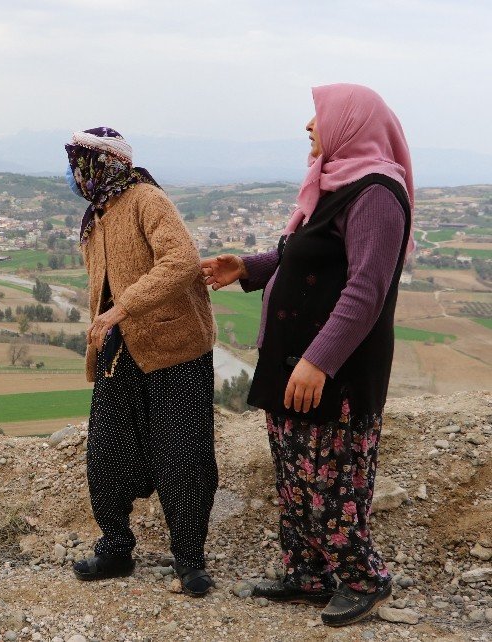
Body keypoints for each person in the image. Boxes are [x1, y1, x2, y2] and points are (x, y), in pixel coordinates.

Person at [201, 84, 413, 627]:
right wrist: (248, 267)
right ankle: (308, 574)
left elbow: (366, 290)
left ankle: (365, 579)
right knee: (295, 473)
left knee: (330, 479)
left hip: (335, 371)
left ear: (350, 124)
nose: (308, 126)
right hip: (297, 362)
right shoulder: (335, 183)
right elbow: (305, 256)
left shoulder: (375, 193)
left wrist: (319, 360)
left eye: (318, 115)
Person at [66, 127, 219, 597]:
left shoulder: (145, 199)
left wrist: (122, 309)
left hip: (176, 347)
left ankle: (190, 559)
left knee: (182, 454)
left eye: (82, 161)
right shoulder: (97, 216)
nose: (74, 173)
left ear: (104, 164)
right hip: (118, 353)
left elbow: (181, 260)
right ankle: (116, 546)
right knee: (107, 451)